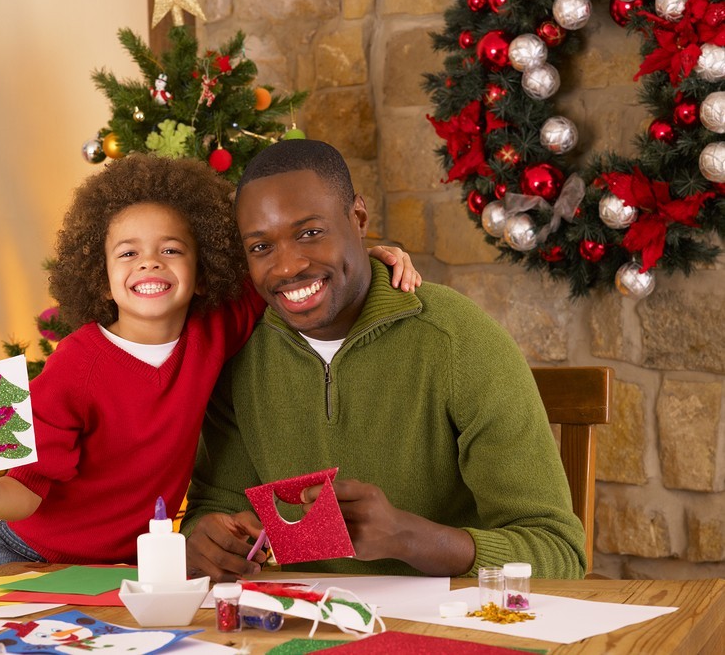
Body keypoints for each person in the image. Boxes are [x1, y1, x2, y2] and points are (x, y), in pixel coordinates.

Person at [0, 152, 420, 567]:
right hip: (37, 556)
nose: (149, 262)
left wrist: (365, 253)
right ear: (101, 279)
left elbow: (285, 279)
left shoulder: (215, 327)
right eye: (128, 254)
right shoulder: (74, 364)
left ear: (203, 272)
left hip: (133, 562)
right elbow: (28, 489)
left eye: (170, 249)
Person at [181, 139, 587, 581]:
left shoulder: (458, 341)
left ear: (358, 218)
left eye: (310, 233)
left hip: (446, 626)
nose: (286, 267)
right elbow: (215, 508)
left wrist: (409, 538)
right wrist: (204, 541)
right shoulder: (239, 353)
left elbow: (559, 554)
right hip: (295, 626)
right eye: (261, 248)